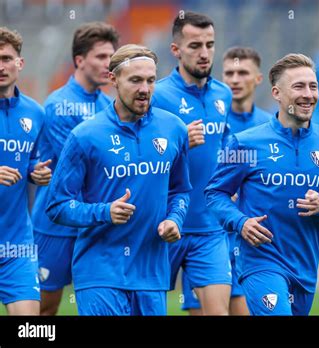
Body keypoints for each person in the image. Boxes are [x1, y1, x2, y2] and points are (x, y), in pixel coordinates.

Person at [46, 44, 192, 316]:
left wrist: (175, 219)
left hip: (151, 275)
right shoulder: (85, 135)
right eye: (135, 80)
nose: (145, 89)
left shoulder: (174, 128)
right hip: (100, 272)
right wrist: (104, 211)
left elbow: (181, 190)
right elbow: (57, 206)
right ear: (113, 79)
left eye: (150, 80)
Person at [205, 53, 319, 316]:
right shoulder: (243, 142)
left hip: (304, 265)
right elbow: (215, 194)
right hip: (260, 260)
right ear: (277, 92)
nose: (308, 94)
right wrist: (240, 222)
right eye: (299, 86)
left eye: (313, 86)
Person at [31, 21, 119, 316]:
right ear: (79, 60)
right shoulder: (59, 105)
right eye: (101, 57)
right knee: (45, 310)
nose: (109, 64)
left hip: (96, 224)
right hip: (55, 226)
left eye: (112, 56)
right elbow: (80, 167)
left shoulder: (110, 106)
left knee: (100, 304)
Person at [151, 11, 233, 315]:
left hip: (210, 227)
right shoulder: (156, 95)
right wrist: (179, 140)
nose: (204, 53)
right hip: (164, 224)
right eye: (195, 45)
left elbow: (224, 144)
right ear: (176, 50)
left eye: (210, 45)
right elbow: (141, 153)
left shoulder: (223, 94)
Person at [181, 46, 272, 315]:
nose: (234, 79)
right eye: (229, 73)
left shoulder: (269, 127)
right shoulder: (209, 121)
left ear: (258, 79)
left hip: (246, 242)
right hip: (206, 235)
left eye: (242, 72)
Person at [0, 27, 52, 315]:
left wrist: (37, 172)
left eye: (7, 58)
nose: (0, 66)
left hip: (17, 245)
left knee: (30, 331)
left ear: (20, 63)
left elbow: (33, 160)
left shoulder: (35, 113)